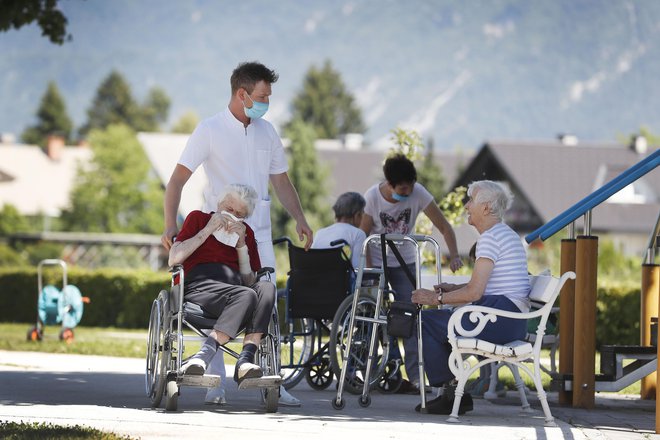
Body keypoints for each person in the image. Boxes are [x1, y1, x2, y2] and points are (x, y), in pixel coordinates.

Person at [161, 61, 312, 407]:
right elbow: (177, 180)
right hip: (218, 232)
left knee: (267, 296)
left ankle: (269, 380)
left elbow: (282, 181)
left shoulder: (267, 132)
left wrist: (300, 217)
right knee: (230, 299)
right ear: (242, 94)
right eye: (262, 96)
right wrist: (171, 223)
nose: (266, 103)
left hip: (258, 233)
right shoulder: (209, 130)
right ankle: (216, 384)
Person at [411, 180, 531, 415]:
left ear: (486, 207)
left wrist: (434, 298)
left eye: (471, 201)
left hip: (501, 320)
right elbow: (486, 285)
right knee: (440, 321)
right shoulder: (505, 234)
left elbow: (475, 292)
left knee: (425, 322)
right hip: (510, 319)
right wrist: (451, 289)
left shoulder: (490, 238)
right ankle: (454, 392)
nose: (466, 206)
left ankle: (452, 394)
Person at [360, 153, 463, 394]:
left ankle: (416, 377)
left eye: (410, 187)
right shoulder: (372, 197)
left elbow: (444, 226)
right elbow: (363, 237)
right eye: (402, 189)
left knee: (409, 316)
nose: (407, 193)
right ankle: (382, 371)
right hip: (378, 260)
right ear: (390, 184)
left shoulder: (419, 193)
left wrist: (455, 255)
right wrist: (371, 271)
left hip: (405, 262)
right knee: (377, 315)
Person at [170, 184, 275, 386]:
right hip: (201, 287)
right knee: (246, 295)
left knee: (266, 288)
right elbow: (174, 258)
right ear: (219, 205)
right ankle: (203, 355)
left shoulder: (247, 234)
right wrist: (209, 229)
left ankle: (245, 360)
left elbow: (250, 282)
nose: (232, 216)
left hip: (236, 291)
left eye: (239, 214)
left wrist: (241, 245)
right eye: (229, 210)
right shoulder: (198, 219)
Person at [312, 191, 367, 269]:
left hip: (315, 279)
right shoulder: (358, 234)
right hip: (341, 280)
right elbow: (358, 270)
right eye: (362, 213)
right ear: (357, 214)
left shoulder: (320, 233)